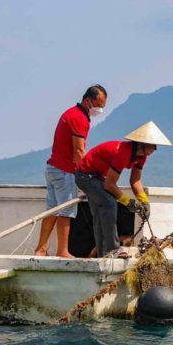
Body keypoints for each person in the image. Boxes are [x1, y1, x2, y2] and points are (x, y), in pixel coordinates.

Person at [74, 121, 172, 258]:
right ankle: (114, 250)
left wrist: (144, 202)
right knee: (109, 202)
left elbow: (135, 181)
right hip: (85, 176)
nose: (155, 149)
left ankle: (103, 255)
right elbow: (109, 185)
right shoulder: (123, 152)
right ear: (142, 143)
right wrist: (128, 202)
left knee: (100, 212)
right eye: (153, 144)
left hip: (98, 177)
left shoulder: (142, 157)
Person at [34, 85, 107, 258]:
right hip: (65, 171)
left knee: (52, 210)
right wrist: (86, 178)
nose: (100, 109)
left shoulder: (70, 113)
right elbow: (78, 151)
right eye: (99, 105)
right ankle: (62, 251)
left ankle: (41, 249)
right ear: (88, 101)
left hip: (53, 168)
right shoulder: (79, 118)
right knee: (66, 212)